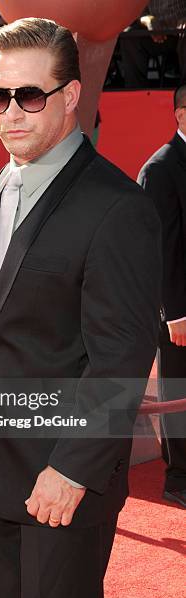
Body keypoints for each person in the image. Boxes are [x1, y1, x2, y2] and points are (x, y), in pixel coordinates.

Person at [0, 18, 162, 598]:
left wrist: (72, 469)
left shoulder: (117, 207)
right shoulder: (5, 180)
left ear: (71, 95)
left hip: (59, 478)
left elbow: (122, 355)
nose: (10, 114)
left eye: (29, 96)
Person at [137, 84, 186, 509]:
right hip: (179, 309)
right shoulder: (162, 168)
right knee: (177, 389)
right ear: (182, 115)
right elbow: (162, 247)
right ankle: (178, 477)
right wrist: (175, 313)